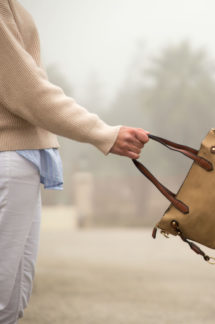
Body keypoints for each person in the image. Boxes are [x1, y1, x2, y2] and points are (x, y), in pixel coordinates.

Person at [0, 0, 150, 322]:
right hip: (7, 161)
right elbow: (28, 91)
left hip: (22, 161)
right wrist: (103, 133)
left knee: (13, 303)